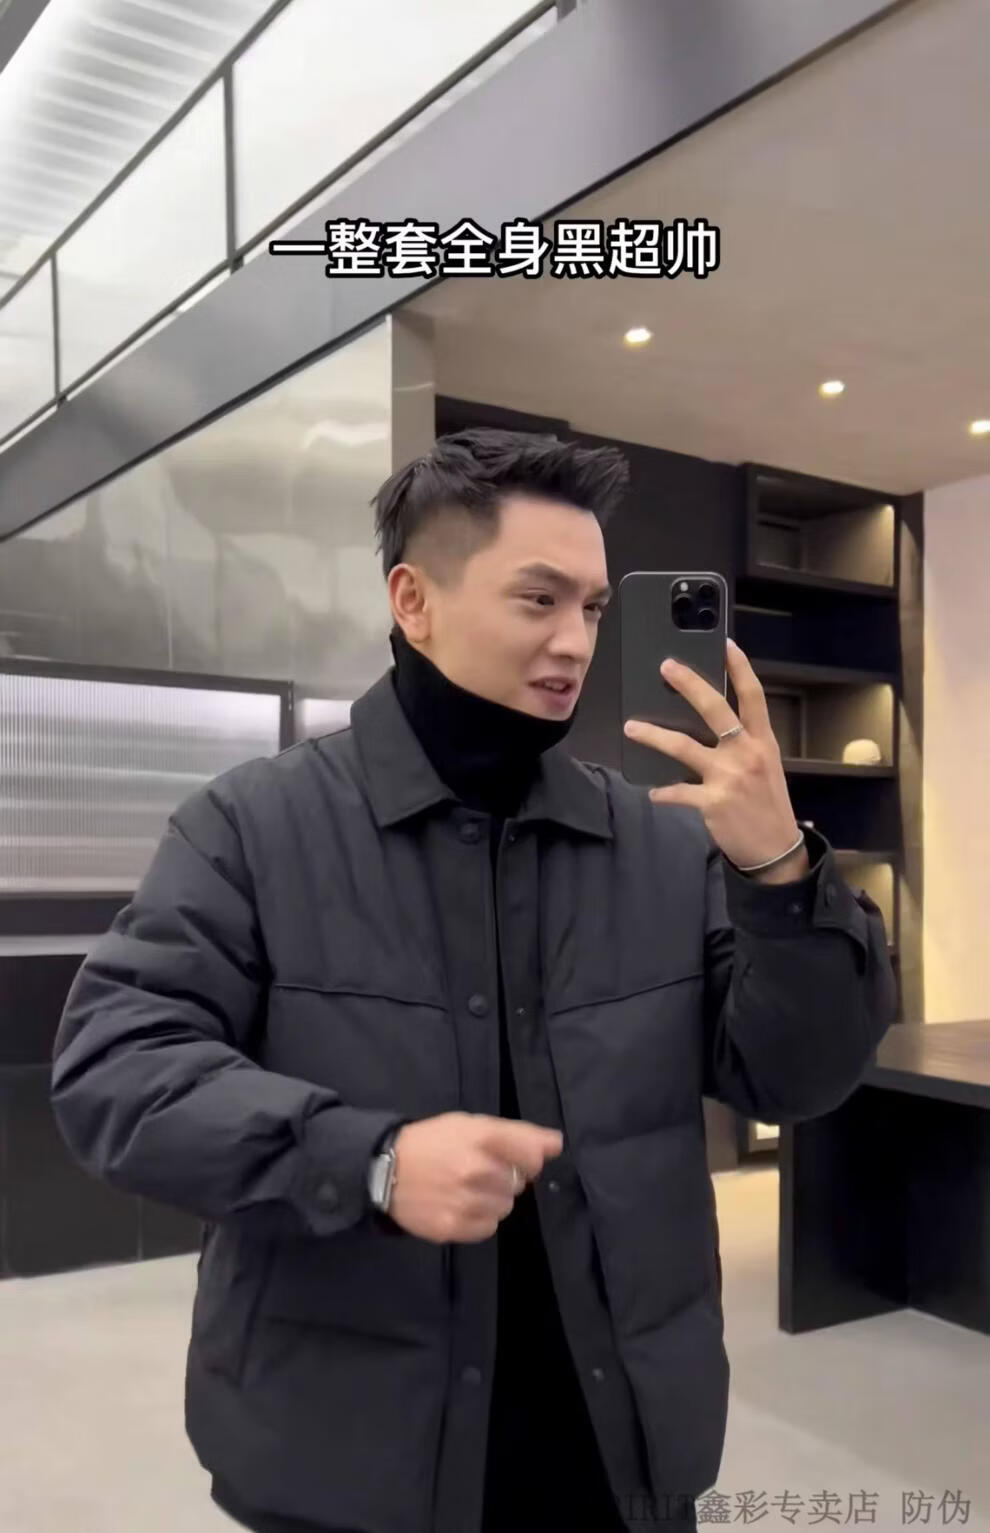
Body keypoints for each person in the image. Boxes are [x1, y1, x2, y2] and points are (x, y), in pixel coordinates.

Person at [50, 428, 898, 1533]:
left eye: (593, 608)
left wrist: (782, 871)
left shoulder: (662, 841)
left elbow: (796, 1077)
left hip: (621, 1452)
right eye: (538, 599)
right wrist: (367, 1160)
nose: (574, 641)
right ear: (414, 601)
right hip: (351, 1464)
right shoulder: (252, 828)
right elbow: (116, 1071)